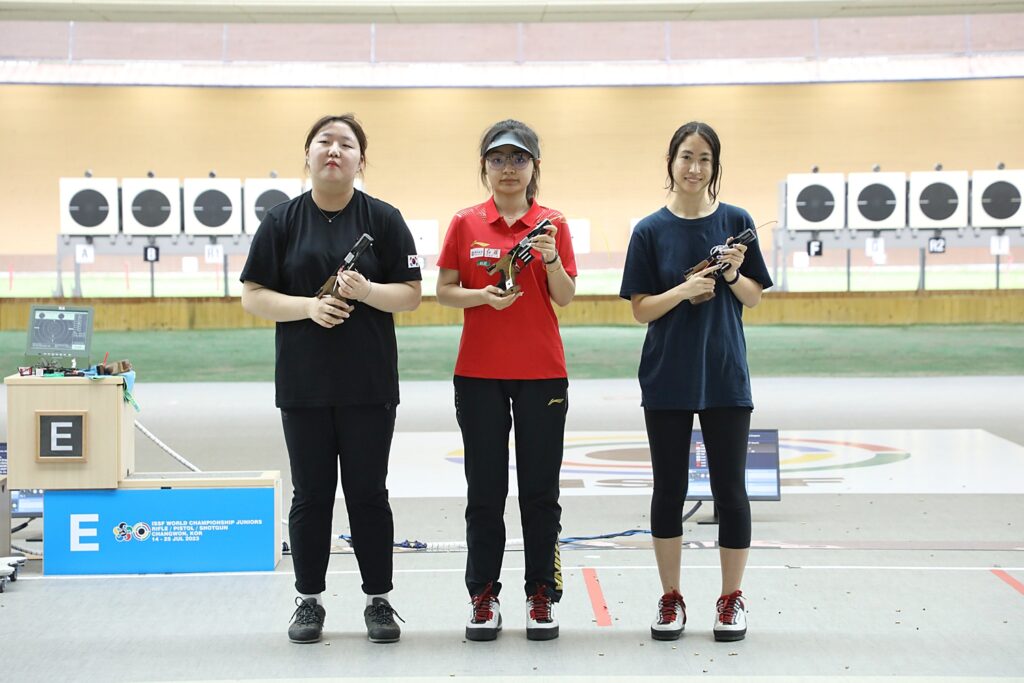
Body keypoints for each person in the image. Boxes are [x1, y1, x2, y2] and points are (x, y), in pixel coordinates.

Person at [240, 113, 422, 645]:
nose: (335, 150)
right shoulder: (281, 220)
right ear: (308, 154)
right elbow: (253, 296)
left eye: (347, 143)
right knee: (311, 495)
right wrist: (308, 307)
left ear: (361, 160)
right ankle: (309, 601)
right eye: (325, 141)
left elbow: (411, 294)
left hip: (369, 384)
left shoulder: (384, 219)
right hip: (304, 385)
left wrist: (367, 292)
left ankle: (378, 600)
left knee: (368, 494)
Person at [619, 121, 773, 643]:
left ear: (715, 166)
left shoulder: (737, 221)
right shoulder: (649, 230)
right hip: (667, 375)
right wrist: (684, 291)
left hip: (724, 375)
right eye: (687, 156)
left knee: (731, 490)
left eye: (705, 158)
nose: (695, 167)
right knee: (669, 489)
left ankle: (731, 599)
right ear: (671, 162)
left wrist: (730, 274)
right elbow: (641, 309)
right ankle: (671, 597)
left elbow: (754, 297)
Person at [436, 119, 577, 642]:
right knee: (485, 491)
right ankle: (483, 595)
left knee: (540, 491)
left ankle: (541, 593)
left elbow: (565, 296)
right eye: (498, 159)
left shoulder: (553, 223)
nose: (508, 169)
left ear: (535, 166)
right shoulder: (465, 222)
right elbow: (444, 290)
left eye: (519, 159)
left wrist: (552, 259)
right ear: (485, 167)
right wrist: (482, 297)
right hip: (478, 375)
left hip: (542, 374)